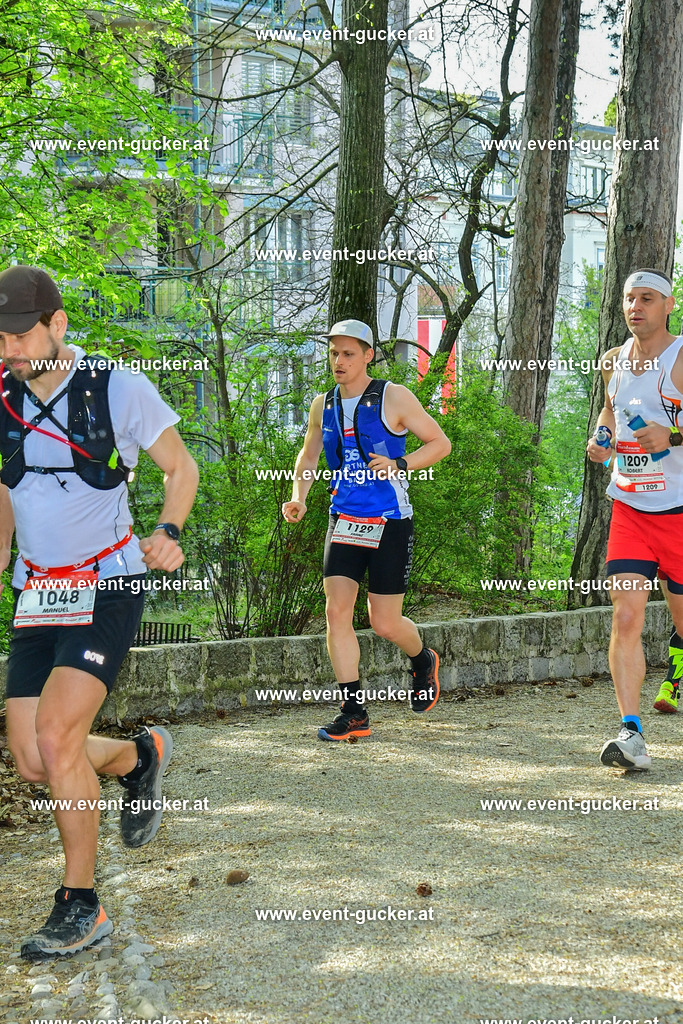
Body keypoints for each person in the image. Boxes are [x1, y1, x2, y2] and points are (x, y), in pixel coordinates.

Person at [0, 265, 199, 958]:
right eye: (0, 339)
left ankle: (80, 903)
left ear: (57, 324)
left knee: (56, 738)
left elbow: (181, 467)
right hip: (36, 590)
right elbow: (7, 488)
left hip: (108, 582)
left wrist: (168, 533)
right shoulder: (2, 393)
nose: (10, 351)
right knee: (32, 757)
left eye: (21, 336)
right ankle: (138, 755)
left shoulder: (117, 386)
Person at [281, 318, 451, 740]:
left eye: (348, 354)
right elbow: (308, 456)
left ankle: (422, 659)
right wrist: (298, 495)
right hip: (345, 519)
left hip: (389, 520)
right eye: (334, 353)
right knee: (335, 612)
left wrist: (401, 464)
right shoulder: (323, 404)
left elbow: (440, 443)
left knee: (384, 623)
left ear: (368, 355)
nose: (339, 361)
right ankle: (354, 712)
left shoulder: (393, 396)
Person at [586, 268, 683, 770]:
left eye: (647, 298)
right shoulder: (612, 361)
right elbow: (611, 411)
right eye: (629, 298)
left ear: (669, 304)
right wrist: (602, 440)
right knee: (625, 616)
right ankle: (631, 735)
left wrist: (674, 437)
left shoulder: (681, 357)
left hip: (682, 513)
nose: (635, 306)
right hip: (630, 507)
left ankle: (679, 656)